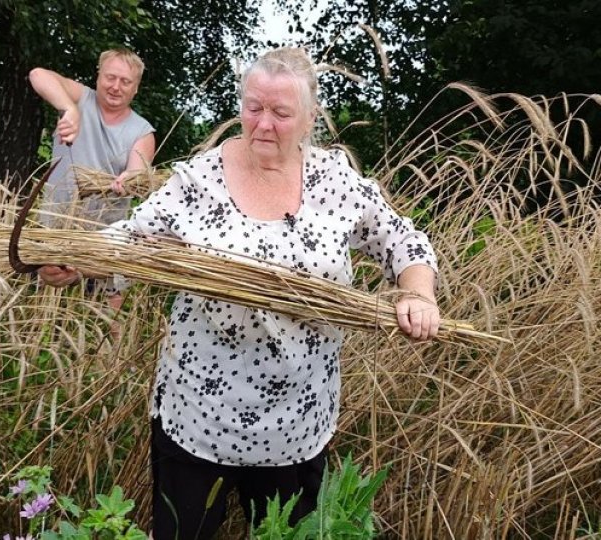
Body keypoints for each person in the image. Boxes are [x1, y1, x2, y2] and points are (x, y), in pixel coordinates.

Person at [37, 47, 440, 539]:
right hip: (198, 416)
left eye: (281, 112)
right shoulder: (201, 177)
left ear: (311, 117)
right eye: (253, 108)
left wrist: (418, 294)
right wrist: (79, 260)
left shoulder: (336, 181)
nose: (263, 124)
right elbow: (134, 235)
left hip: (296, 419)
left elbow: (403, 240)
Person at [29, 47, 156, 226]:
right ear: (99, 76)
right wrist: (69, 109)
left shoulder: (142, 131)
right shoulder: (80, 98)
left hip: (101, 238)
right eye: (110, 77)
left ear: (135, 88)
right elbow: (37, 75)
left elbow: (136, 176)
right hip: (52, 226)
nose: (115, 87)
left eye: (125, 81)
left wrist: (129, 180)